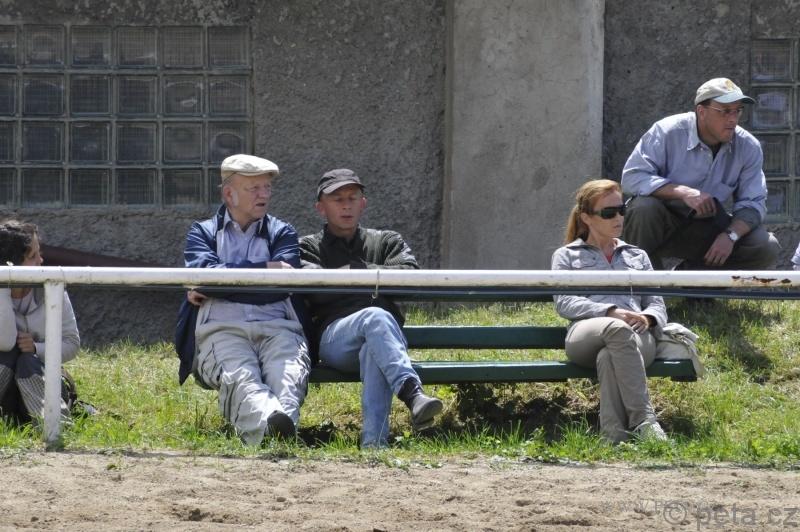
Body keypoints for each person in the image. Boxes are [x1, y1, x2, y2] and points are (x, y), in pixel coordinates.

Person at [299, 168, 443, 448]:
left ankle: (374, 444)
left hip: (383, 342)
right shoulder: (307, 246)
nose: (346, 205)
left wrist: (356, 271)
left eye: (352, 198)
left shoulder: (387, 241)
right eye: (337, 199)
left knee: (373, 346)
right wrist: (374, 280)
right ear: (321, 208)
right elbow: (315, 289)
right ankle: (412, 394)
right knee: (376, 316)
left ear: (363, 203)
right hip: (334, 341)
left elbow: (410, 280)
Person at [177, 154, 311, 446]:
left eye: (267, 187)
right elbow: (205, 276)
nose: (264, 195)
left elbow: (283, 286)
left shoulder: (283, 232)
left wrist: (218, 285)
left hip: (280, 328)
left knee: (289, 377)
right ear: (229, 194)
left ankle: (272, 434)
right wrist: (265, 270)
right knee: (240, 378)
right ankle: (277, 435)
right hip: (222, 330)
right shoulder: (202, 233)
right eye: (254, 188)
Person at [551, 179, 668, 443]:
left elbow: (657, 302)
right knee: (616, 328)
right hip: (586, 334)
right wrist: (609, 311)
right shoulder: (566, 256)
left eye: (622, 210)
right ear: (586, 218)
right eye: (608, 212)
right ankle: (644, 421)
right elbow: (564, 302)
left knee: (608, 356)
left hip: (637, 337)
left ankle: (613, 436)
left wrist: (648, 318)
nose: (618, 218)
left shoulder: (638, 256)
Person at [621, 77, 780, 270]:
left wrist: (730, 236)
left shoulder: (748, 146)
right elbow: (632, 177)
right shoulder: (667, 131)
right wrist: (683, 192)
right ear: (702, 111)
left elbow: (753, 203)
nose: (733, 119)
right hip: (660, 222)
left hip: (708, 227)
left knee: (766, 246)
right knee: (643, 208)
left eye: (737, 111)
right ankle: (645, 283)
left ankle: (689, 280)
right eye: (725, 111)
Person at [0, 220, 80, 423]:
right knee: (8, 355)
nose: (41, 260)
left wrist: (36, 348)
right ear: (12, 262)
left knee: (27, 360)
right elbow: (6, 342)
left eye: (39, 253)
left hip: (42, 383)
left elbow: (72, 343)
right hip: (4, 389)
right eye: (32, 256)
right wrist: (3, 286)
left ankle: (55, 425)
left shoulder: (52, 288)